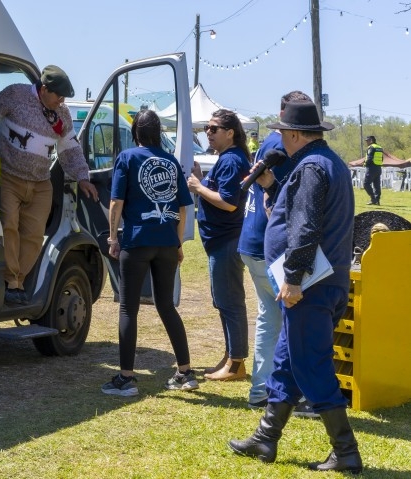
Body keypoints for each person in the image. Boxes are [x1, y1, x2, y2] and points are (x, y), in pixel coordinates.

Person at [228, 99, 362, 474]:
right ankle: (266, 438)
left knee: (312, 364)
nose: (279, 140)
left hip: (310, 285)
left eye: (282, 133)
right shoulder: (325, 163)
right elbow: (300, 217)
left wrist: (292, 279)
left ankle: (346, 451)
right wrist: (273, 189)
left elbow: (304, 229)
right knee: (288, 361)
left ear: (294, 134)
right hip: (323, 282)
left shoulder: (312, 168)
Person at [101, 110, 197, 396]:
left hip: (138, 239)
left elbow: (116, 202)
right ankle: (185, 371)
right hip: (167, 241)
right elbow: (183, 206)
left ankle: (126, 378)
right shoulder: (170, 160)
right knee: (166, 306)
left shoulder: (128, 158)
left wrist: (112, 237)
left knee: (129, 307)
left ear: (136, 133)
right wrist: (178, 244)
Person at [0, 65, 98, 305]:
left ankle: (18, 283)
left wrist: (82, 176)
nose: (62, 101)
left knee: (33, 236)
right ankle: (11, 282)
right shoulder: (15, 95)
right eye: (59, 96)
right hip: (8, 176)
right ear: (43, 89)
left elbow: (69, 148)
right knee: (9, 225)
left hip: (40, 183)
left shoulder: (61, 114)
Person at [239, 91, 310, 409]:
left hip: (251, 240)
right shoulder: (287, 146)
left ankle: (261, 389)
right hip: (273, 244)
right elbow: (285, 204)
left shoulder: (269, 142)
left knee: (270, 317)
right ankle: (301, 391)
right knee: (296, 317)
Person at [187, 109, 251, 381]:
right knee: (223, 302)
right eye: (206, 129)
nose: (208, 134)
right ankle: (230, 358)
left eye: (213, 129)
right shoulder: (227, 159)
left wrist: (198, 188)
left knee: (230, 302)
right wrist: (202, 181)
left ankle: (236, 364)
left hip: (227, 241)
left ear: (230, 132)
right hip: (220, 242)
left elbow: (229, 202)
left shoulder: (231, 161)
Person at [363, 135, 383, 205]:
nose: (366, 142)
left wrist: (365, 164)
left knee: (366, 184)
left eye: (367, 141)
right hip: (378, 168)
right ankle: (377, 200)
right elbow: (382, 158)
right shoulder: (379, 147)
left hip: (371, 168)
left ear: (371, 140)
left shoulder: (371, 147)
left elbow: (370, 157)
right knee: (376, 185)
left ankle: (373, 199)